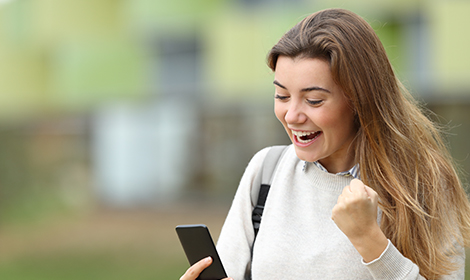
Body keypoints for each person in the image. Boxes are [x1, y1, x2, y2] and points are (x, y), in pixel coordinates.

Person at [180, 8, 470, 280]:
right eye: (281, 96)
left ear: (360, 100)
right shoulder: (266, 171)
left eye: (314, 100)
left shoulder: (424, 184)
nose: (292, 115)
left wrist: (370, 241)